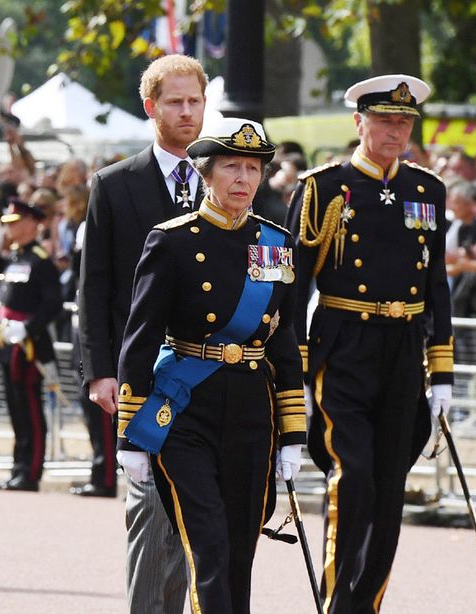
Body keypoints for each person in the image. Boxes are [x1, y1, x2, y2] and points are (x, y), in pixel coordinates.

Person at [118, 117, 305, 613]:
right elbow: (140, 336)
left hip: (251, 408)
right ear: (205, 173)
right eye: (230, 167)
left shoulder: (276, 243)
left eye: (252, 168)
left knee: (240, 550)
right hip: (186, 409)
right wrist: (128, 433)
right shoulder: (173, 239)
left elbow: (284, 339)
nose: (242, 179)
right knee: (210, 545)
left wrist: (293, 432)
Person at [286, 74, 452, 613]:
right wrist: (296, 369)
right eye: (384, 120)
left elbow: (436, 286)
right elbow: (295, 283)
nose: (395, 130)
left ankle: (366, 605)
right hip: (345, 343)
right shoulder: (324, 187)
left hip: (403, 347)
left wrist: (442, 370)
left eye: (403, 122)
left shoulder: (427, 189)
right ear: (358, 123)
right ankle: (338, 602)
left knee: (388, 485)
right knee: (352, 473)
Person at [77, 53, 205, 610]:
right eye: (174, 102)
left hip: (213, 375)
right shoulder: (114, 184)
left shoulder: (228, 174)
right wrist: (100, 371)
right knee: (150, 516)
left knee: (203, 525)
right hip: (142, 377)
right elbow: (95, 287)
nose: (186, 112)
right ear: (150, 107)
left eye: (195, 101)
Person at [0, 199, 62, 491]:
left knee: (30, 407)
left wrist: (28, 327)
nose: (10, 229)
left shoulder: (40, 260)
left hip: (29, 344)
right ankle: (18, 466)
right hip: (9, 341)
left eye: (14, 223)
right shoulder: (16, 256)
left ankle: (30, 472)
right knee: (15, 408)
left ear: (32, 223)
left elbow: (53, 303)